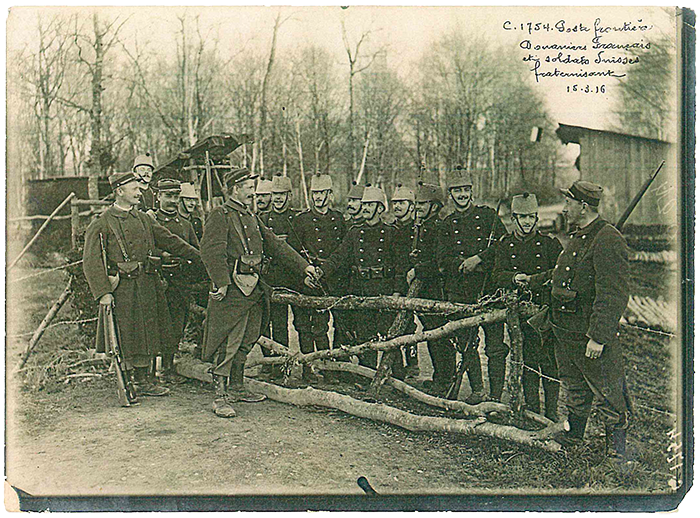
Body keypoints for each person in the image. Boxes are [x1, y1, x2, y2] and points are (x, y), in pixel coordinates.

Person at [200, 167, 320, 418]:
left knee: (248, 338)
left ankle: (237, 385)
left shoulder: (251, 215)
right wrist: (221, 282)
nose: (252, 190)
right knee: (228, 342)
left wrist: (304, 266)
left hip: (254, 287)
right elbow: (211, 251)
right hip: (232, 290)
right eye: (247, 185)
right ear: (235, 188)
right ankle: (220, 395)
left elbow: (276, 245)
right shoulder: (220, 214)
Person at [83, 171, 201, 400]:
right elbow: (92, 262)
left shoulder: (144, 219)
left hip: (147, 284)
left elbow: (171, 241)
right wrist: (103, 293)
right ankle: (127, 380)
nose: (140, 192)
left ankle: (144, 379)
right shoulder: (102, 223)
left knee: (148, 331)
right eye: (135, 189)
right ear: (120, 191)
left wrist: (201, 257)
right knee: (126, 334)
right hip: (122, 289)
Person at [544, 181, 631, 459]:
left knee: (607, 391)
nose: (564, 208)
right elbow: (565, 276)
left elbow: (613, 293)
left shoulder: (607, 238)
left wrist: (598, 336)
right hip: (567, 331)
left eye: (568, 202)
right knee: (576, 389)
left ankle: (617, 453)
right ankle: (574, 438)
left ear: (582, 206)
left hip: (587, 334)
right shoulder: (580, 235)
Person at [437, 166, 507, 403]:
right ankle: (477, 390)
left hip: (490, 289)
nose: (462, 195)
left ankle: (496, 396)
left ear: (471, 192)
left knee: (495, 347)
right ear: (451, 194)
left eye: (466, 190)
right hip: (461, 290)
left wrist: (479, 259)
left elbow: (504, 245)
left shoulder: (488, 216)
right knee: (466, 344)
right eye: (457, 191)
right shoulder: (447, 224)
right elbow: (442, 258)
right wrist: (461, 264)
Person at [490, 193, 563, 421]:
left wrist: (536, 280)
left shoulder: (550, 244)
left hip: (546, 312)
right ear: (514, 218)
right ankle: (532, 410)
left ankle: (550, 413)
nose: (527, 222)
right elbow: (496, 275)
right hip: (520, 315)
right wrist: (513, 278)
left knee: (550, 364)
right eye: (522, 217)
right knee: (528, 362)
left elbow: (560, 271)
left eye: (531, 217)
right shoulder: (505, 245)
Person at [321, 184, 407, 372]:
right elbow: (339, 257)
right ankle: (366, 374)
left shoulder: (392, 232)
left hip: (384, 288)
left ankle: (398, 375)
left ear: (380, 208)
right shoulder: (354, 232)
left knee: (390, 335)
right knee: (365, 335)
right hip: (360, 288)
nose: (366, 208)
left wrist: (397, 291)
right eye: (365, 205)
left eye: (370, 205)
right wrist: (321, 271)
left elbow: (401, 265)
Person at [290, 173, 347, 383]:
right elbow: (293, 253)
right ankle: (307, 368)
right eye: (315, 193)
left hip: (330, 279)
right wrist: (304, 274)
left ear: (330, 194)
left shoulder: (339, 219)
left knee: (322, 325)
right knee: (304, 324)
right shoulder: (301, 220)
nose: (319, 197)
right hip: (306, 279)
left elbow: (343, 251)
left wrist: (327, 270)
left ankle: (327, 368)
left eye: (323, 193)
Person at [151, 178, 201, 384]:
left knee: (177, 325)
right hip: (158, 281)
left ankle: (169, 367)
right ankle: (152, 370)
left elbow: (195, 251)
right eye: (168, 196)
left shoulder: (186, 224)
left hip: (181, 282)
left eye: (175, 197)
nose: (172, 201)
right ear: (158, 196)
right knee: (156, 325)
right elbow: (144, 248)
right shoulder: (151, 221)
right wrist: (161, 255)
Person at [405, 182, 449, 388]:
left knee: (438, 335)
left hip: (436, 289)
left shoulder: (438, 228)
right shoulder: (422, 226)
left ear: (435, 206)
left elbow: (440, 263)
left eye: (423, 204)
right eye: (416, 203)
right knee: (432, 333)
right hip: (426, 288)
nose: (418, 207)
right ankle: (440, 378)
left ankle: (444, 381)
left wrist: (417, 270)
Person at [258, 173, 301, 380]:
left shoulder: (297, 219)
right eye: (274, 194)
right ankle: (268, 362)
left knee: (283, 323)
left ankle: (282, 364)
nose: (277, 199)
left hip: (289, 279)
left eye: (282, 195)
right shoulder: (263, 219)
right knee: (265, 321)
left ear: (289, 196)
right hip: (268, 278)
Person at [390, 183, 419, 377]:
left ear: (412, 205)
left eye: (402, 202)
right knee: (398, 324)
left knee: (419, 327)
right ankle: (398, 367)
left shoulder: (418, 229)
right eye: (395, 203)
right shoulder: (391, 229)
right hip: (396, 281)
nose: (398, 206)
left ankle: (414, 362)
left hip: (418, 281)